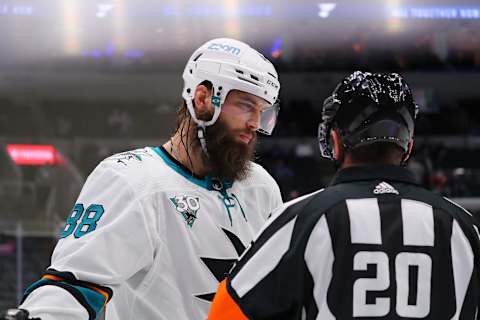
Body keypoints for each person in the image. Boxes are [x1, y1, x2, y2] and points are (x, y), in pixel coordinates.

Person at [2, 38, 283, 320]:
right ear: (203, 98)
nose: (255, 123)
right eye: (246, 105)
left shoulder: (261, 187)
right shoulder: (129, 180)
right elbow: (75, 283)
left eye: (263, 111)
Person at [208, 71, 480, 320]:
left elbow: (226, 312)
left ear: (335, 141)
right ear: (408, 147)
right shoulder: (464, 227)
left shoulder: (301, 219)